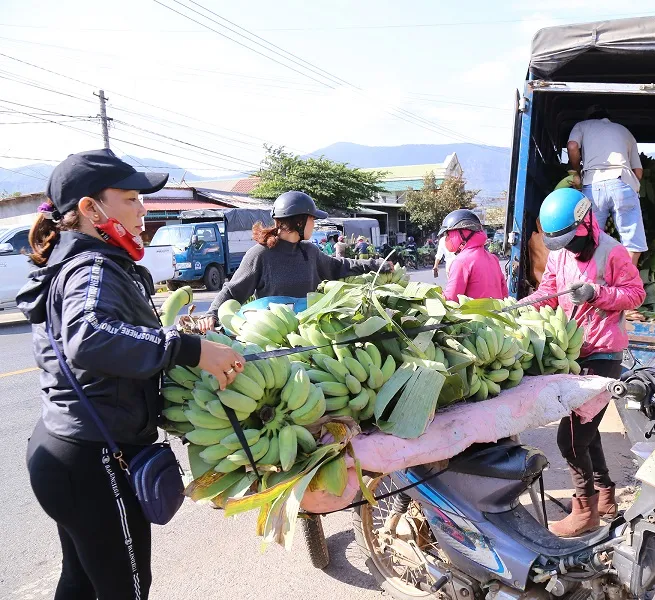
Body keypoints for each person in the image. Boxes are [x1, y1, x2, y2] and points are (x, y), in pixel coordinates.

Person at [17, 149, 245, 599]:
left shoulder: (74, 261)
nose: (143, 209)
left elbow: (104, 335)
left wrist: (178, 334)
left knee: (81, 583)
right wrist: (188, 348)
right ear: (90, 208)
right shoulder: (92, 267)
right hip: (94, 457)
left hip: (63, 450)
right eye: (131, 198)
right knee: (126, 590)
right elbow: (89, 335)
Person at [521, 187, 645, 538]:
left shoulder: (612, 252)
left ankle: (585, 511)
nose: (570, 251)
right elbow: (548, 291)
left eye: (572, 242)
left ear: (587, 221)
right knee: (587, 434)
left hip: (604, 357)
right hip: (576, 354)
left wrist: (597, 293)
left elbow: (636, 293)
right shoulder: (560, 256)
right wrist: (515, 308)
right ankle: (605, 498)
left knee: (571, 439)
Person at [198, 192, 387, 331]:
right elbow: (232, 291)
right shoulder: (260, 255)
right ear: (299, 222)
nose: (315, 225)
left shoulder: (309, 252)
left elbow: (339, 267)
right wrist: (211, 314)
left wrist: (376, 264)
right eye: (312, 220)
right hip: (272, 336)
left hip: (310, 333)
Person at [567, 108, 646, 265]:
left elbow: (572, 146)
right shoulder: (625, 131)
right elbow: (638, 172)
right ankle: (627, 284)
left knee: (591, 239)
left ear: (590, 118)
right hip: (623, 180)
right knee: (632, 242)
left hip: (593, 183)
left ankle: (595, 282)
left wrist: (576, 169)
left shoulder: (582, 125)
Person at [439, 209, 507, 302]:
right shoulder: (493, 258)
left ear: (462, 234)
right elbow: (504, 293)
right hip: (497, 314)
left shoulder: (461, 262)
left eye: (448, 234)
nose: (446, 238)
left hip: (474, 315)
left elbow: (451, 299)